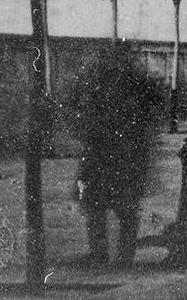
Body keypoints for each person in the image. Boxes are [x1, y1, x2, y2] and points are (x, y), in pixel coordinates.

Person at [70, 45, 161, 268]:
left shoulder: (104, 84)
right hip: (116, 159)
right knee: (111, 212)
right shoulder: (127, 82)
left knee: (110, 212)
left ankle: (110, 257)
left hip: (113, 159)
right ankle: (115, 257)